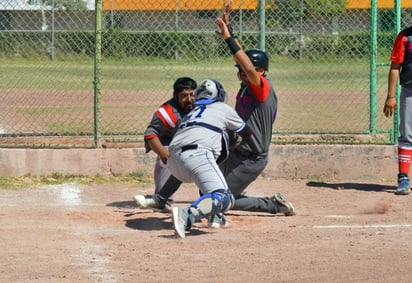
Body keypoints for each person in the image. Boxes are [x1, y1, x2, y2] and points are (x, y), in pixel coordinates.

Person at [132, 1, 295, 222]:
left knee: (224, 196)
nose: (244, 74)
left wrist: (229, 38)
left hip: (252, 156)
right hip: (236, 150)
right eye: (241, 72)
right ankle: (167, 199)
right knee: (206, 181)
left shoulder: (262, 88)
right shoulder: (247, 88)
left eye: (249, 72)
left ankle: (273, 205)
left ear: (262, 71)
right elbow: (245, 63)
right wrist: (230, 32)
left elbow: (247, 65)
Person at [167, 79, 252, 238]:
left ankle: (215, 216)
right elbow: (246, 132)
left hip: (173, 162)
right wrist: (232, 136)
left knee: (211, 186)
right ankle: (186, 215)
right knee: (225, 197)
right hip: (197, 155)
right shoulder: (222, 107)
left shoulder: (191, 112)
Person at [133, 77, 197, 210]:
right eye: (184, 96)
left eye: (192, 95)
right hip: (172, 142)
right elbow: (150, 133)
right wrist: (162, 152)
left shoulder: (201, 104)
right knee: (167, 156)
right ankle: (163, 199)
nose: (189, 99)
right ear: (175, 96)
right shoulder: (167, 113)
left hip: (195, 140)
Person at [383, 26, 412, 195]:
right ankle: (403, 178)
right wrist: (390, 96)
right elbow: (395, 66)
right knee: (407, 134)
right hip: (409, 90)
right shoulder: (405, 37)